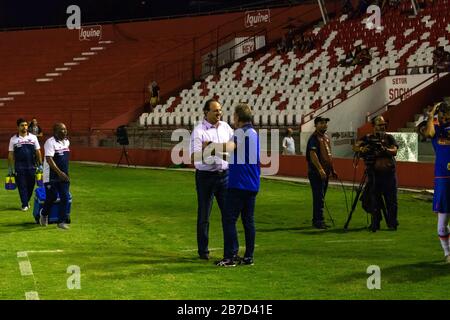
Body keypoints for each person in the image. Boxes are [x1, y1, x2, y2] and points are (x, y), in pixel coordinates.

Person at [209, 103, 260, 267]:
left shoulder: (240, 133)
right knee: (248, 221)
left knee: (229, 220)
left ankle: (229, 257)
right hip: (252, 184)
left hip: (238, 184)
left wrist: (211, 146)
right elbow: (234, 155)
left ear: (237, 117)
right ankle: (248, 257)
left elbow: (230, 147)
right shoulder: (253, 133)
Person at [190, 98, 234, 260]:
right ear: (206, 112)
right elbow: (194, 157)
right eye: (215, 110)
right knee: (204, 216)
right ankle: (203, 251)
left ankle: (231, 250)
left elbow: (233, 147)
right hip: (205, 178)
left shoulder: (226, 127)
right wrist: (213, 151)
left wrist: (212, 147)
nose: (219, 113)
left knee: (228, 215)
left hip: (224, 176)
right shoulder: (199, 131)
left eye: (220, 110)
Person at [353, 116, 399, 231]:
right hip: (374, 173)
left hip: (388, 174)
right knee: (372, 200)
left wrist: (385, 150)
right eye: (379, 125)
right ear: (374, 126)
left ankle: (392, 223)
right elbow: (355, 146)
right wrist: (361, 149)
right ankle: (376, 221)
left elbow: (394, 151)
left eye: (383, 125)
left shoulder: (389, 138)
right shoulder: (368, 138)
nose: (382, 127)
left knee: (391, 200)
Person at [423, 101, 450, 263]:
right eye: (441, 113)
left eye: (446, 113)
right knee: (442, 223)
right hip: (442, 179)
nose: (444, 116)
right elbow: (428, 132)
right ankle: (447, 253)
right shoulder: (436, 131)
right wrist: (431, 115)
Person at [306, 116, 338, 229]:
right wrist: (320, 169)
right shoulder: (314, 138)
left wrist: (332, 169)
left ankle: (318, 219)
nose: (324, 125)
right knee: (319, 197)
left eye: (325, 123)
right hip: (316, 173)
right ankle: (318, 221)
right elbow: (313, 154)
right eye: (321, 123)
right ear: (316, 125)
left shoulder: (326, 138)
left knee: (321, 196)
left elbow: (329, 156)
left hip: (325, 172)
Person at [39, 123, 71, 230]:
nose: (65, 131)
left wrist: (64, 173)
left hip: (64, 175)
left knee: (65, 197)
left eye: (65, 129)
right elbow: (49, 159)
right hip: (51, 176)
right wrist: (59, 173)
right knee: (51, 197)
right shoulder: (50, 142)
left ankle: (61, 222)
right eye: (62, 129)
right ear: (55, 131)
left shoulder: (66, 142)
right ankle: (44, 214)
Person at [8, 118, 42, 211]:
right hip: (19, 167)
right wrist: (10, 168)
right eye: (22, 125)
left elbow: (38, 151)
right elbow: (11, 154)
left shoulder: (33, 137)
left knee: (31, 185)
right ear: (18, 127)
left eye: (26, 125)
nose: (25, 127)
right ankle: (24, 204)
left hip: (32, 166)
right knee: (22, 186)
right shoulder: (13, 139)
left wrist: (40, 164)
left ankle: (26, 201)